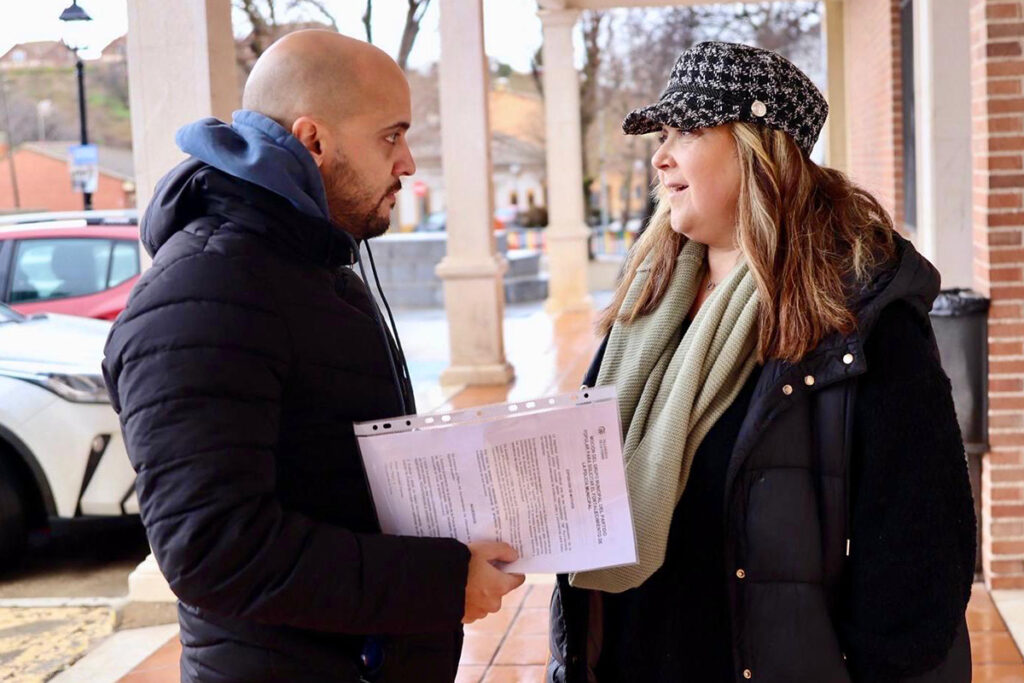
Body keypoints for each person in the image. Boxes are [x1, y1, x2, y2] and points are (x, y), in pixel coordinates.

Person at [102, 30, 524, 683]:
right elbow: (213, 548)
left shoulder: (308, 265)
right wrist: (440, 582)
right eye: (392, 135)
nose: (408, 164)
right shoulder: (205, 291)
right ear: (313, 140)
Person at [548, 41, 976, 683]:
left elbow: (919, 553)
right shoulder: (649, 299)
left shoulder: (860, 316)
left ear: (757, 148)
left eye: (687, 130)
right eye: (661, 135)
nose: (660, 158)